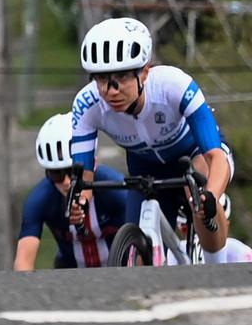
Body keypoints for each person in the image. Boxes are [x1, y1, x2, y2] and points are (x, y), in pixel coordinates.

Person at [70, 17, 235, 261]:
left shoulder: (174, 85)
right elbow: (83, 178)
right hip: (146, 167)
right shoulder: (87, 105)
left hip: (194, 155)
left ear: (144, 72)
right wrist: (80, 203)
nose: (111, 90)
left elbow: (215, 156)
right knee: (132, 252)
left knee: (200, 201)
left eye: (122, 76)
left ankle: (216, 268)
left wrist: (210, 195)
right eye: (102, 79)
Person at [14, 114, 138, 269]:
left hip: (121, 271)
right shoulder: (40, 199)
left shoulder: (115, 187)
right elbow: (23, 262)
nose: (66, 182)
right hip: (71, 276)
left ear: (93, 164)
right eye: (56, 174)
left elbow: (145, 243)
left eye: (73, 172)